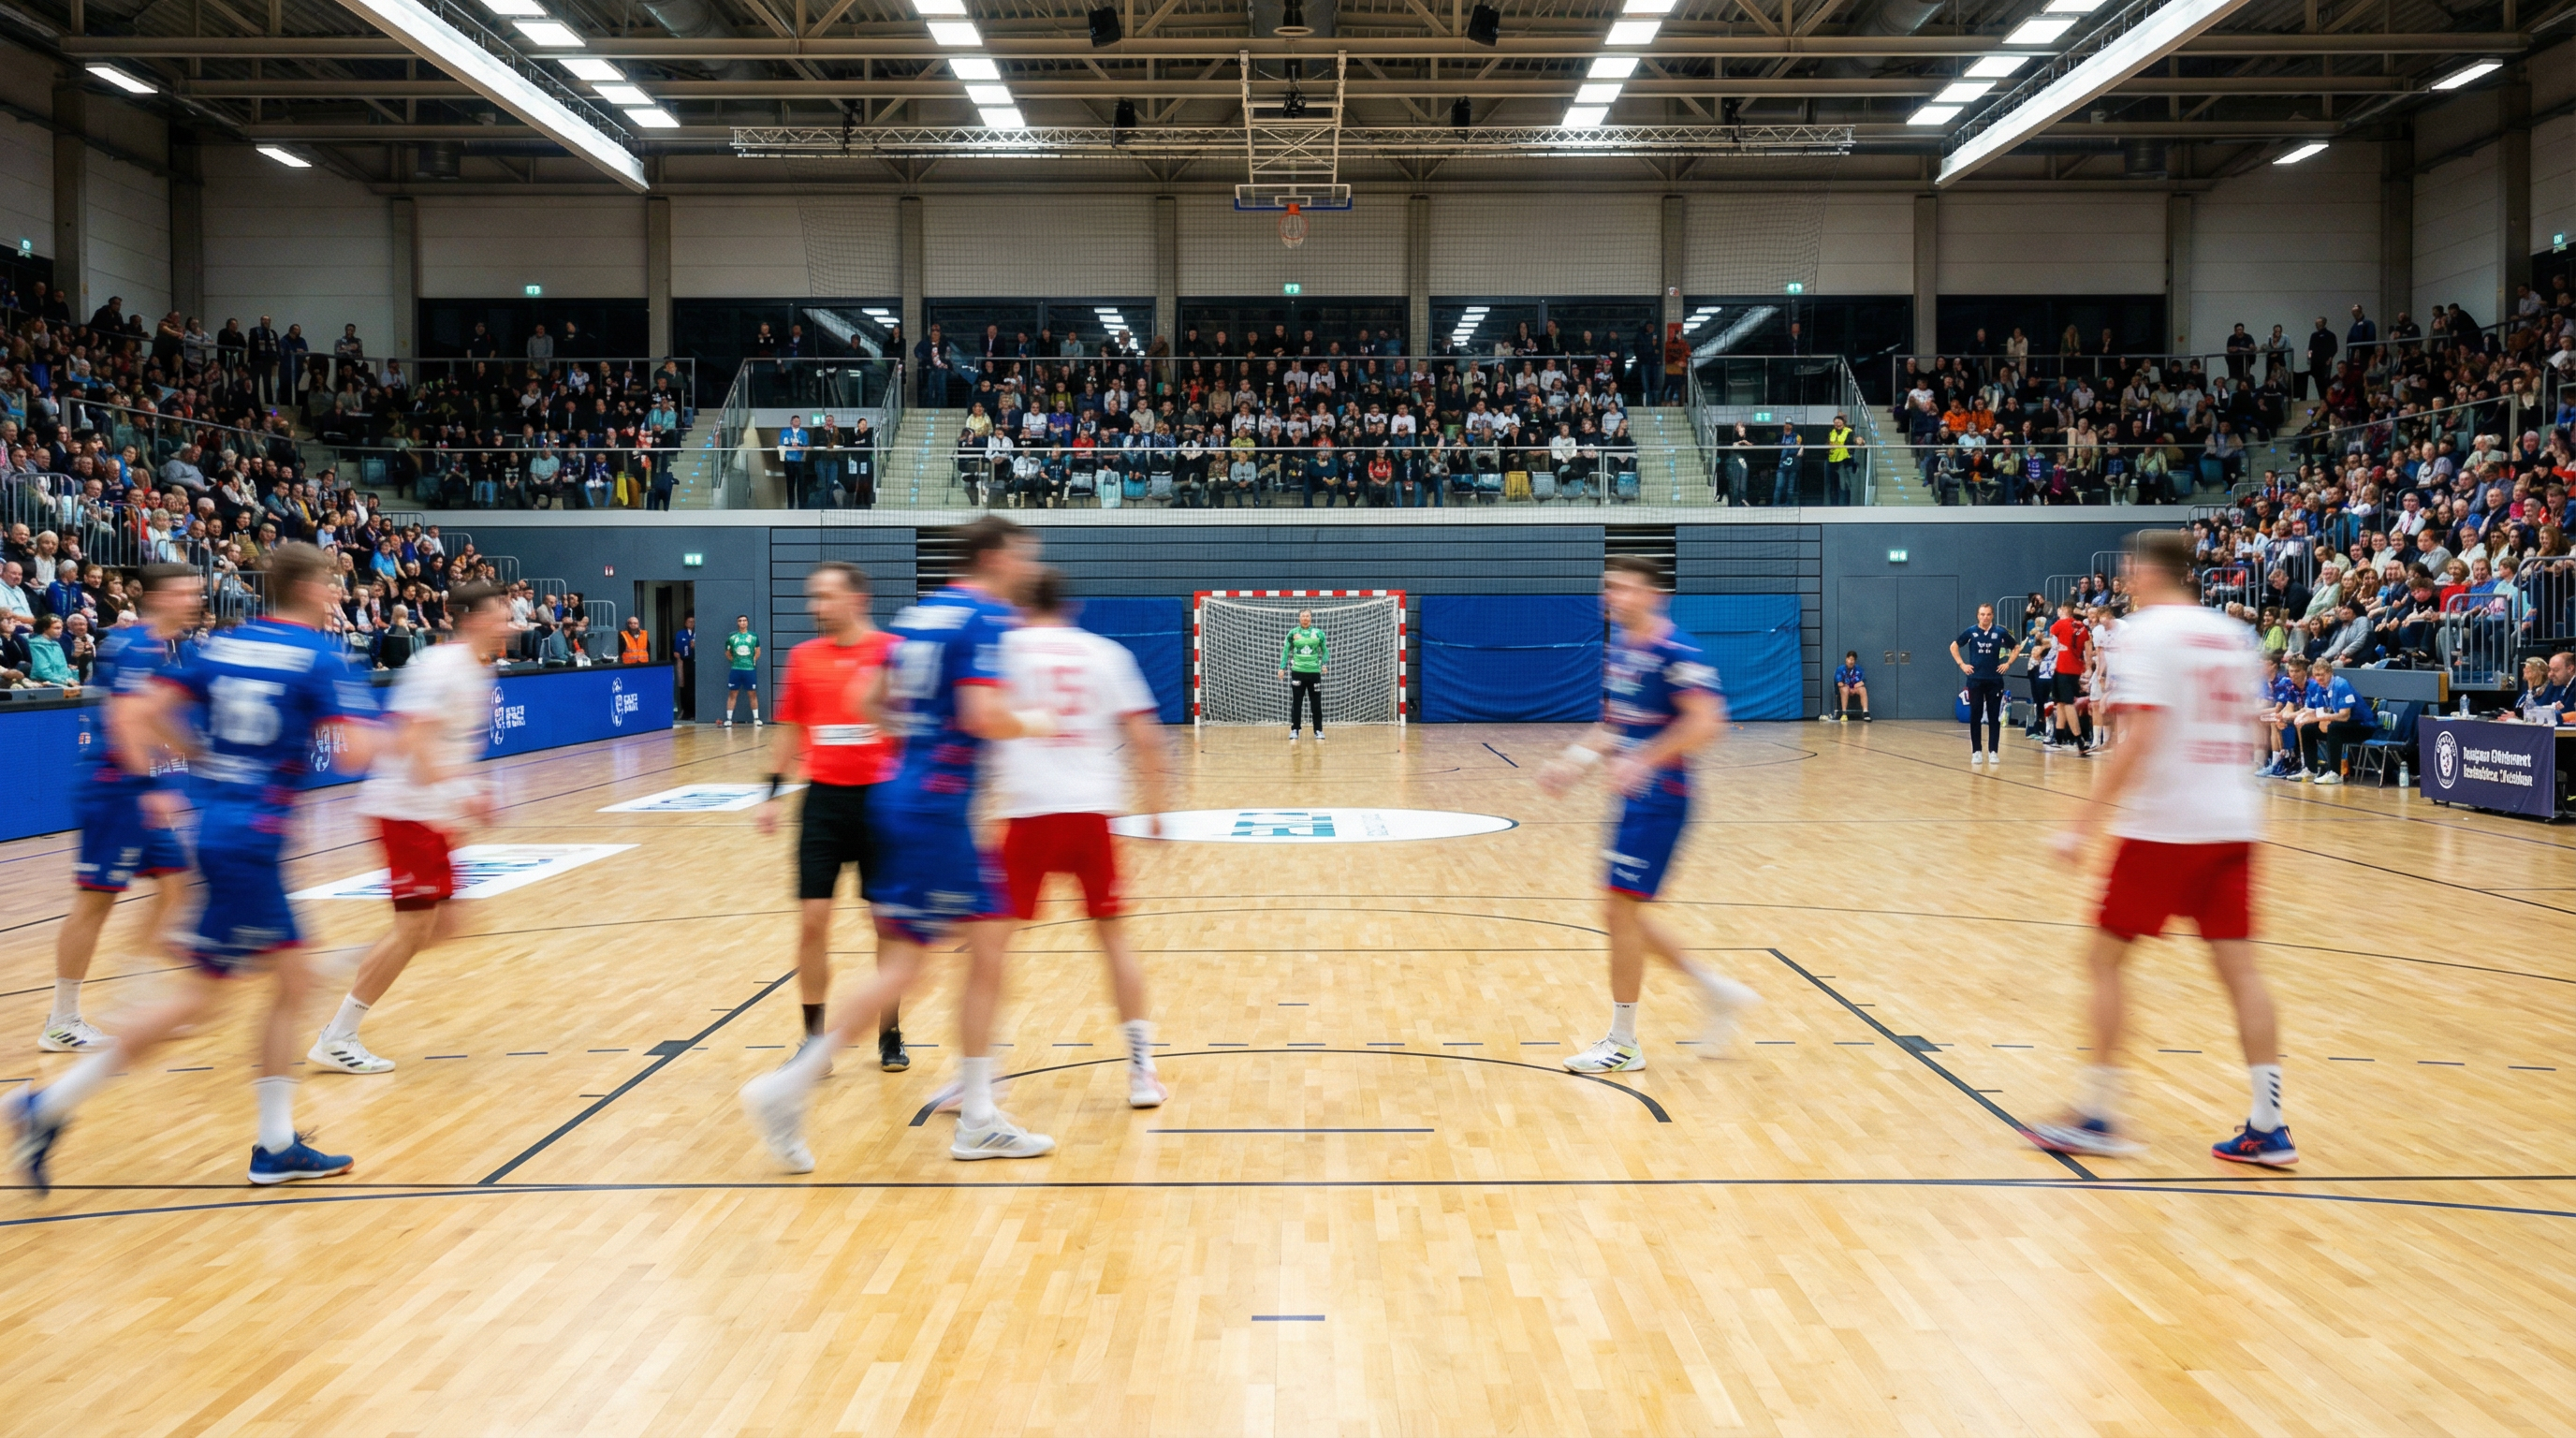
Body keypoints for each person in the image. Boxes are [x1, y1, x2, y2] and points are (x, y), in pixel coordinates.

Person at [9, 543, 380, 1193]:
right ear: (311, 588)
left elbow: (143, 710)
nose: (338, 596)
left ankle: (57, 1108)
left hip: (218, 829)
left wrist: (207, 758)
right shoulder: (318, 656)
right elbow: (353, 753)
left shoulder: (225, 646)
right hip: (252, 839)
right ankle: (268, 1145)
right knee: (261, 987)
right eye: (332, 586)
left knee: (244, 989)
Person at [739, 516, 1060, 1170]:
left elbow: (865, 698)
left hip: (902, 795)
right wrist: (1037, 722)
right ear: (997, 557)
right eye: (1026, 555)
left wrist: (919, 736)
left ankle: (967, 1112)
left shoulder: (921, 615)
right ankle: (961, 1116)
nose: (1031, 566)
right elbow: (981, 716)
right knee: (950, 955)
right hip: (937, 807)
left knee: (948, 954)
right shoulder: (985, 620)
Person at [2023, 530, 2293, 1168]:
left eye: (2128, 567)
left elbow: (2139, 736)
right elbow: (2253, 729)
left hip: (2166, 825)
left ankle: (2098, 1114)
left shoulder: (2146, 634)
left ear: (2147, 570)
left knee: (2103, 960)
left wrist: (2081, 824)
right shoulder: (2232, 633)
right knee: (2242, 973)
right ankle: (2269, 1123)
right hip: (2234, 819)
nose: (2124, 577)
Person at [1538, 556, 1758, 1074]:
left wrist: (1645, 759)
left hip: (1663, 798)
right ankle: (1716, 990)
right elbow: (1617, 722)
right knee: (1620, 912)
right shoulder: (1621, 651)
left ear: (1654, 596)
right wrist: (1574, 762)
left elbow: (1709, 722)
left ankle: (1624, 1043)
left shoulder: (1676, 650)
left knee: (1618, 910)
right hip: (1632, 799)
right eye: (1609, 588)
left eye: (1625, 588)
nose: (1613, 597)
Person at [306, 582, 508, 1075]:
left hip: (432, 814)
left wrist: (457, 812)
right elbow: (413, 743)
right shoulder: (440, 667)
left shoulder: (476, 670)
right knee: (414, 927)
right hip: (407, 810)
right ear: (476, 619)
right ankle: (338, 1036)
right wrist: (466, 792)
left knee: (447, 926)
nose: (510, 623)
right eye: (502, 615)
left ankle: (324, 970)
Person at [992, 566, 1172, 1108]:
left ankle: (980, 1074)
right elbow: (1145, 736)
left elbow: (978, 725)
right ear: (1068, 606)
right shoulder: (1104, 653)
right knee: (1114, 940)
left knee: (991, 948)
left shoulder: (1004, 649)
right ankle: (1142, 1071)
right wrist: (1158, 810)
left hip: (1027, 813)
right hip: (1091, 814)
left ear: (1021, 605)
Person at [754, 562, 907, 1071]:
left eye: (826, 596)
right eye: (813, 597)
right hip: (823, 803)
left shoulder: (891, 653)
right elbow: (790, 728)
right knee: (812, 922)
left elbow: (911, 726)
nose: (816, 607)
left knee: (884, 923)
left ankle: (890, 1033)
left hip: (880, 802)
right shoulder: (803, 658)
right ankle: (814, 1040)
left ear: (857, 600)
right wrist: (771, 793)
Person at [42, 564, 200, 1053]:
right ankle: (61, 1021)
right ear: (158, 597)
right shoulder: (135, 646)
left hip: (134, 787)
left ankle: (138, 997)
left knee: (177, 886)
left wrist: (201, 753)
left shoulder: (164, 649)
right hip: (114, 788)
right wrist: (148, 783)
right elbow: (126, 718)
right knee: (95, 902)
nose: (194, 599)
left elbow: (159, 718)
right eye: (184, 592)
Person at [2291, 657, 2369, 785]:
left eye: (2322, 675)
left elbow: (2344, 716)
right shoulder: (2320, 688)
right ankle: (2310, 770)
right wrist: (2304, 717)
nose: (2319, 678)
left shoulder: (2341, 685)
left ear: (2330, 673)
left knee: (2334, 728)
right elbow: (2318, 712)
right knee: (2308, 729)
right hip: (2342, 726)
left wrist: (2320, 718)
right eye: (2316, 675)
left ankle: (2335, 773)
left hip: (2362, 726)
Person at [1952, 603, 2012, 765]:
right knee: (1976, 715)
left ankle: (1993, 751)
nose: (1985, 617)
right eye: (1982, 614)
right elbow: (1954, 646)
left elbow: (2016, 647)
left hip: (1994, 680)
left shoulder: (1999, 632)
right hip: (1975, 680)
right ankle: (1976, 751)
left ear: (1992, 616)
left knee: (1994, 717)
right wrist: (1962, 664)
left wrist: (2007, 664)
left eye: (1988, 614)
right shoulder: (1971, 632)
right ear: (1978, 615)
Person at [2046, 600, 2095, 752]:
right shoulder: (2082, 626)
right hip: (2075, 669)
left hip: (2063, 668)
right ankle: (2059, 738)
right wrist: (2088, 667)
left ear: (2063, 610)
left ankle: (2078, 738)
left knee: (2067, 703)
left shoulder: (2061, 623)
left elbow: (2052, 635)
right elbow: (2088, 646)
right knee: (2060, 703)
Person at [1280, 609, 1327, 741]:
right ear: (1299, 618)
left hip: (1314, 673)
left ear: (1311, 618)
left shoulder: (1318, 633)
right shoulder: (1293, 633)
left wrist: (1324, 664)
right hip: (1298, 673)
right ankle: (1295, 730)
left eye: (1307, 616)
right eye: (1303, 616)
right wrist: (1282, 667)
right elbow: (1285, 651)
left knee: (1316, 704)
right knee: (1297, 702)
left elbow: (1325, 651)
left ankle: (1318, 730)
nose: (1305, 618)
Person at [721, 614, 762, 726]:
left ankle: (756, 718)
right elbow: (727, 652)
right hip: (736, 669)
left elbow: (758, 651)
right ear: (737, 623)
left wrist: (752, 661)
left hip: (749, 669)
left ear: (747, 623)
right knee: (733, 693)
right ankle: (729, 719)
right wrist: (735, 661)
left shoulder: (754, 636)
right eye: (740, 620)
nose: (742, 622)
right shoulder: (732, 636)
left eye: (744, 620)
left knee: (752, 693)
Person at [1829, 651, 1869, 722]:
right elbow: (1839, 683)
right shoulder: (1840, 669)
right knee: (1844, 689)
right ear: (1846, 659)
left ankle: (1865, 713)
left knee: (1863, 689)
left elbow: (1862, 681)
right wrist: (1847, 687)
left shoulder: (1859, 669)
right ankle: (1844, 714)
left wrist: (1856, 686)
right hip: (1844, 689)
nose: (1851, 662)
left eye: (1853, 660)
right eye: (1850, 659)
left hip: (1855, 689)